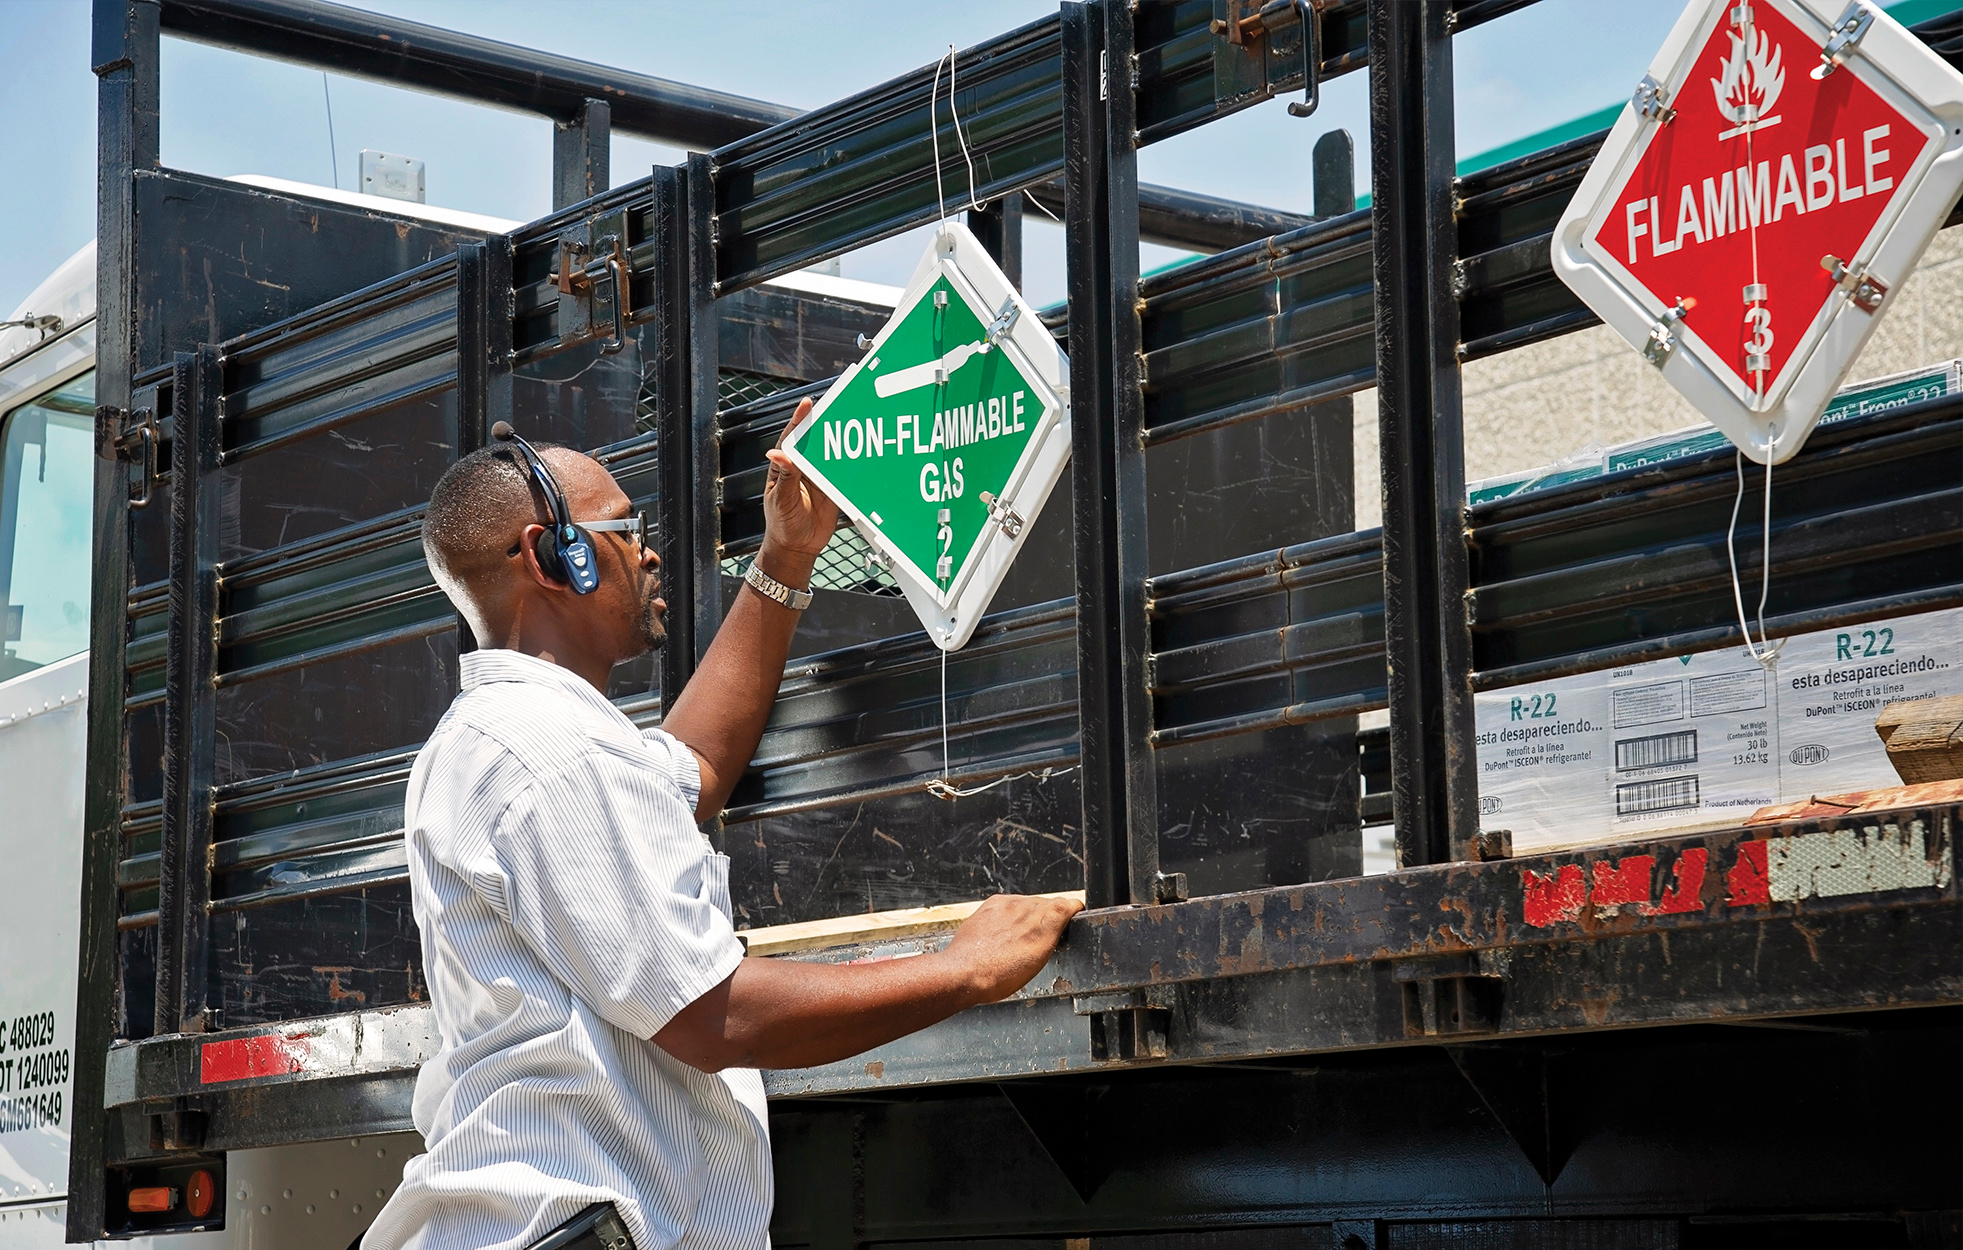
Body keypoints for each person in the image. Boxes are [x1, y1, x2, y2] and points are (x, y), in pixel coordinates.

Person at [363, 400, 1082, 1250]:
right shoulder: (549, 755)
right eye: (624, 529)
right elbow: (713, 1018)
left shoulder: (521, 740)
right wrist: (961, 971)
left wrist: (784, 559)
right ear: (549, 557)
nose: (648, 550)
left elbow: (693, 767)